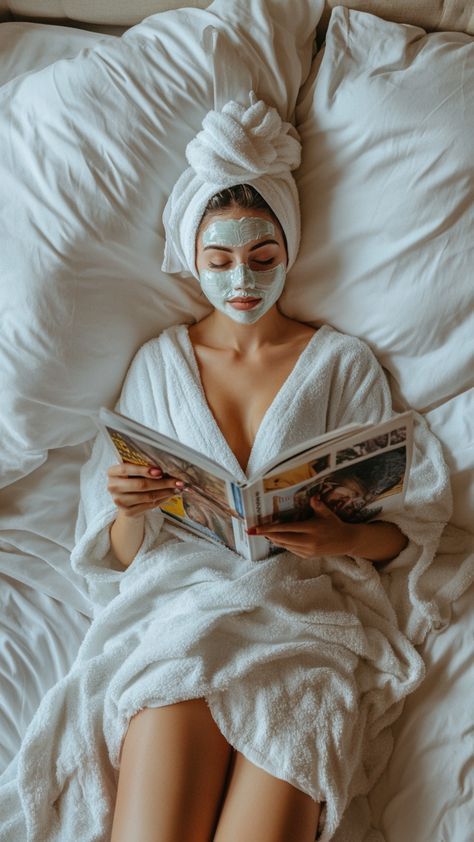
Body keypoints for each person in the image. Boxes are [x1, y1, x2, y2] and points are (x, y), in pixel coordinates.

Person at [63, 93, 450, 842]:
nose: (243, 279)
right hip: (183, 613)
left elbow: (406, 536)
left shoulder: (340, 364)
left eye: (264, 258)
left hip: (307, 622)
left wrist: (340, 541)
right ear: (192, 259)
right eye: (220, 260)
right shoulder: (158, 366)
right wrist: (129, 510)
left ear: (290, 250)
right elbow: (116, 560)